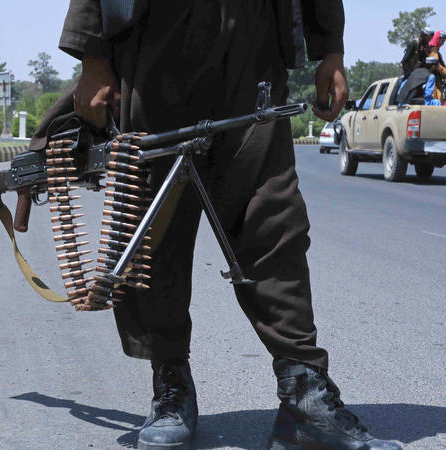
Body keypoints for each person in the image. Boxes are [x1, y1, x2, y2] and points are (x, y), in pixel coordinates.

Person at [51, 2, 403, 450]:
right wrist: (93, 58)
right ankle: (171, 387)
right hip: (158, 45)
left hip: (253, 43)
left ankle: (305, 396)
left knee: (274, 219)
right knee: (155, 230)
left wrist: (330, 49)